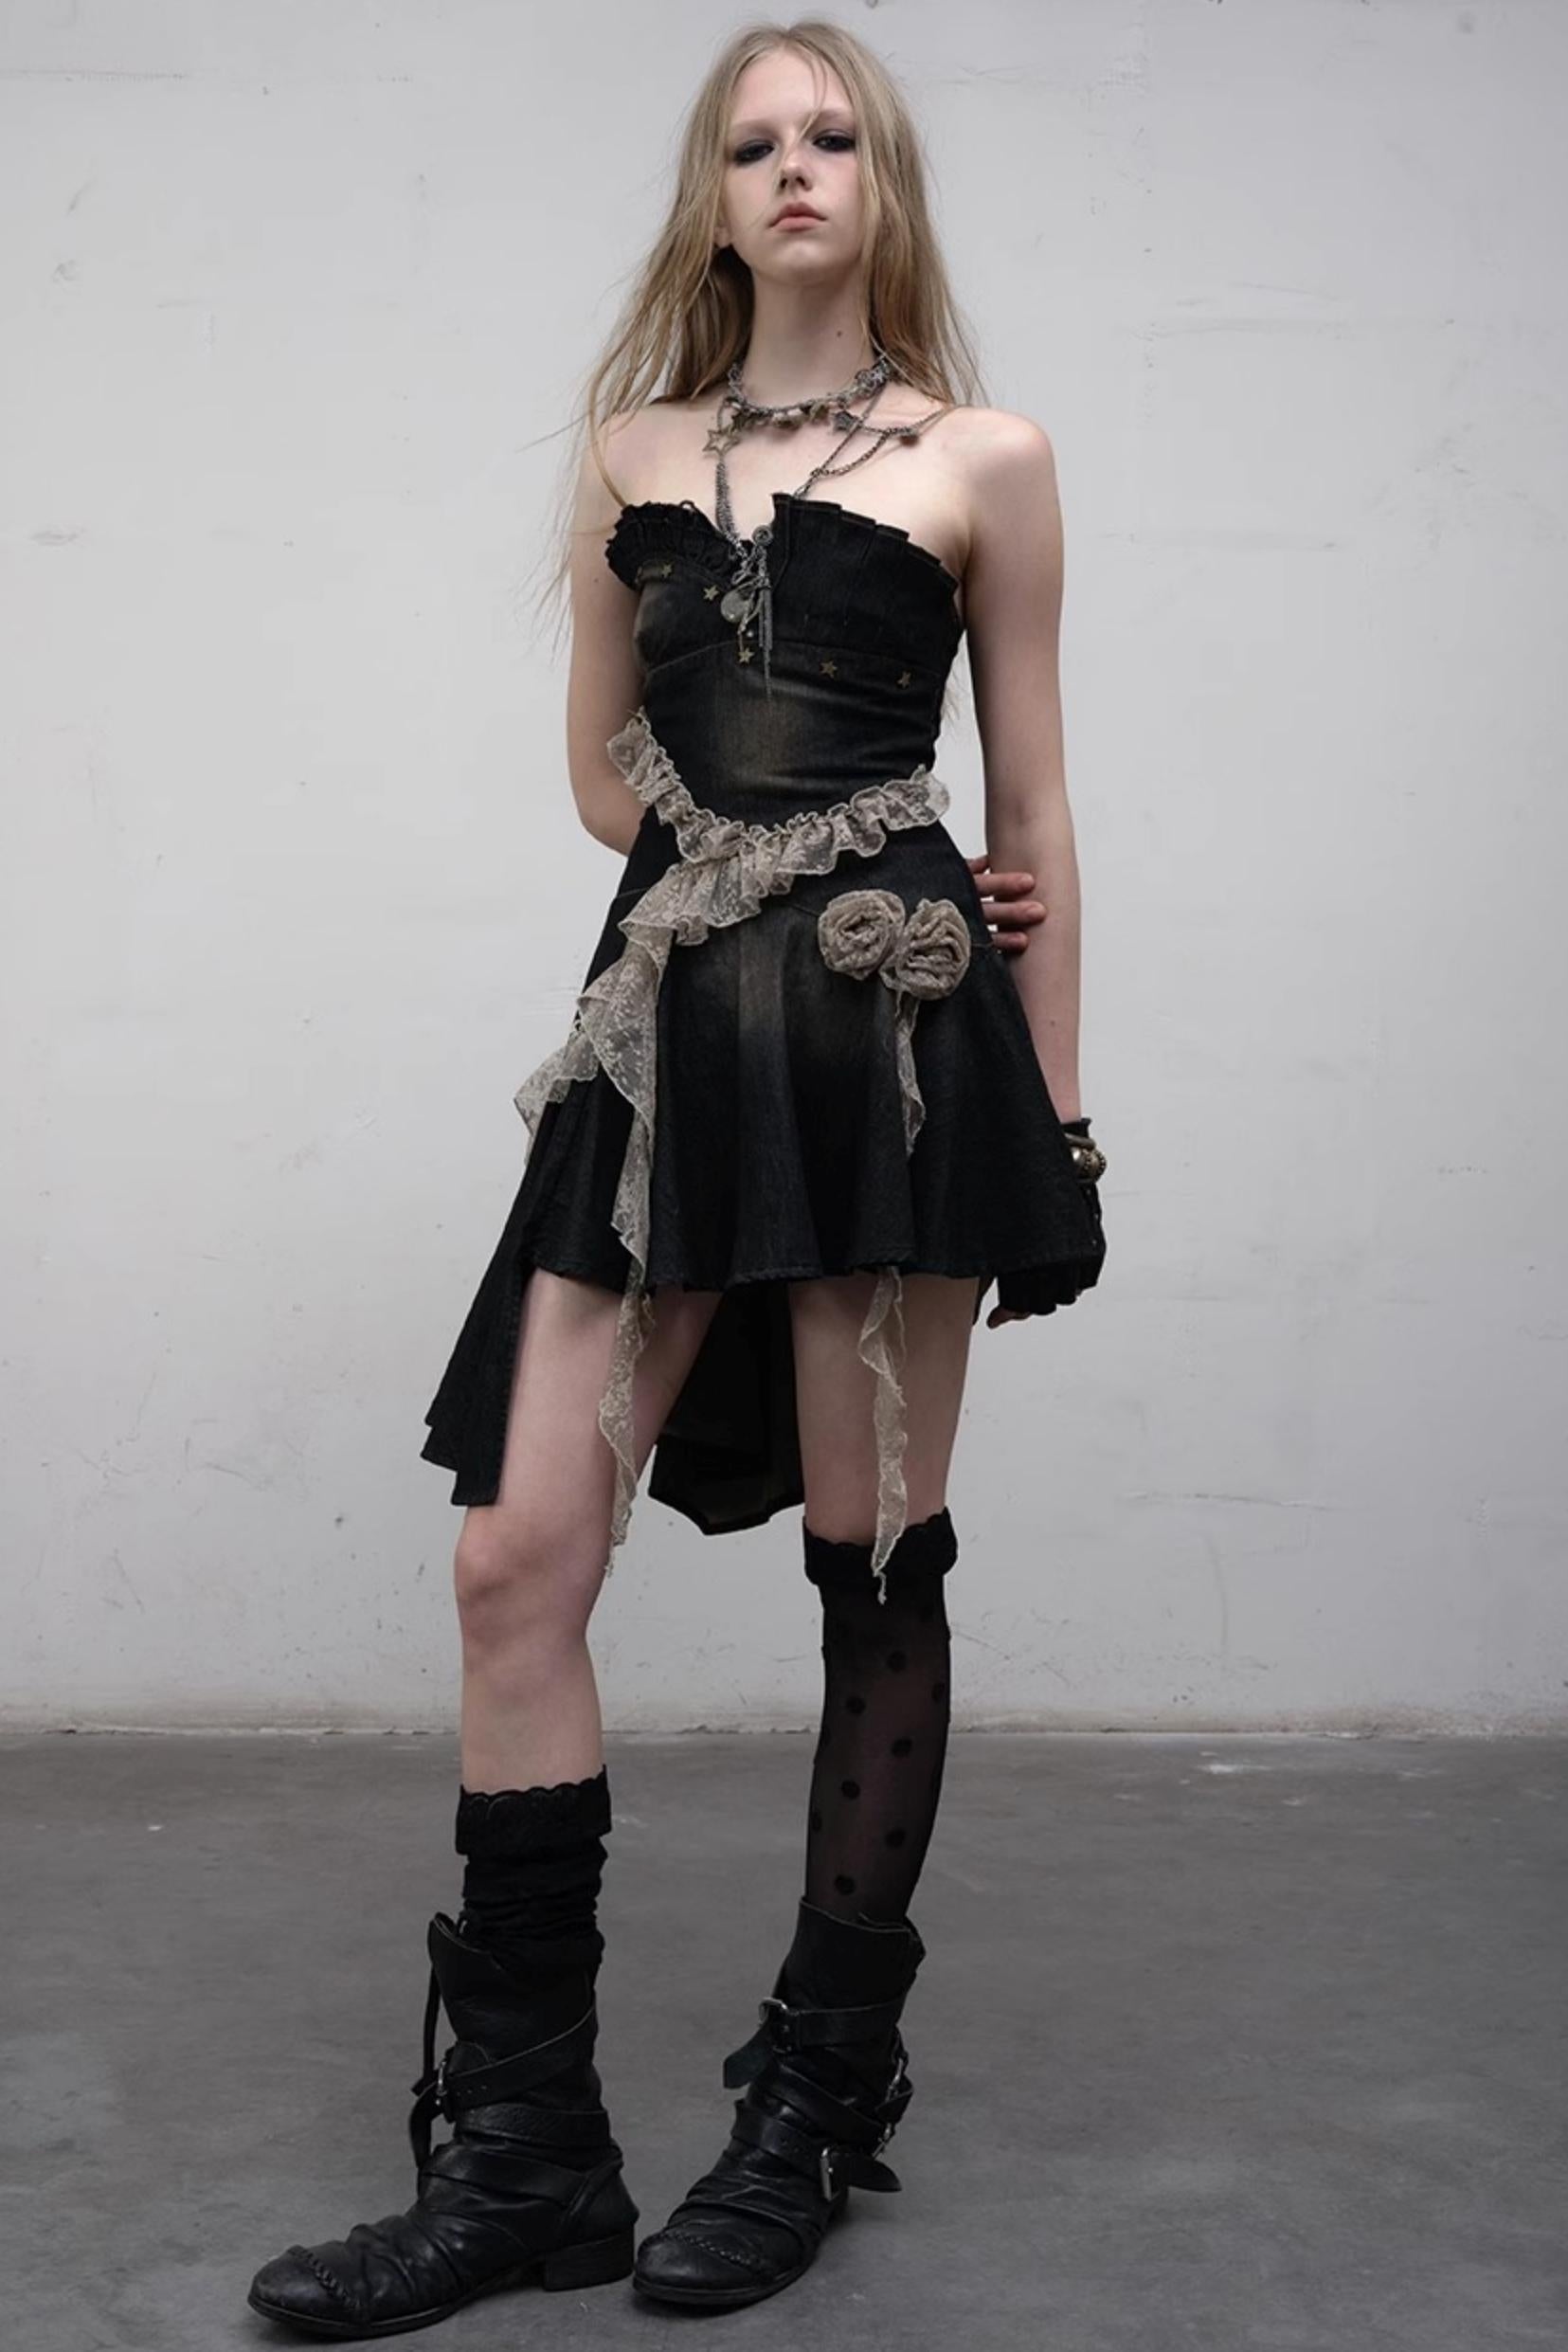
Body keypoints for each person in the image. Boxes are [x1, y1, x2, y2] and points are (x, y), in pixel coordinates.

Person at [246, 15, 1107, 2337]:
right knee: (516, 1555)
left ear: (882, 181)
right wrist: (769, 826)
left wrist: (1049, 1106)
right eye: (754, 142)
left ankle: (813, 2092)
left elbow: (1036, 816)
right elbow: (602, 787)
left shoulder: (990, 458)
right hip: (674, 1025)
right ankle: (530, 2156)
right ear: (714, 198)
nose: (794, 167)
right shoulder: (627, 453)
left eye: (834, 135)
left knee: (870, 1554)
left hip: (893, 1047)